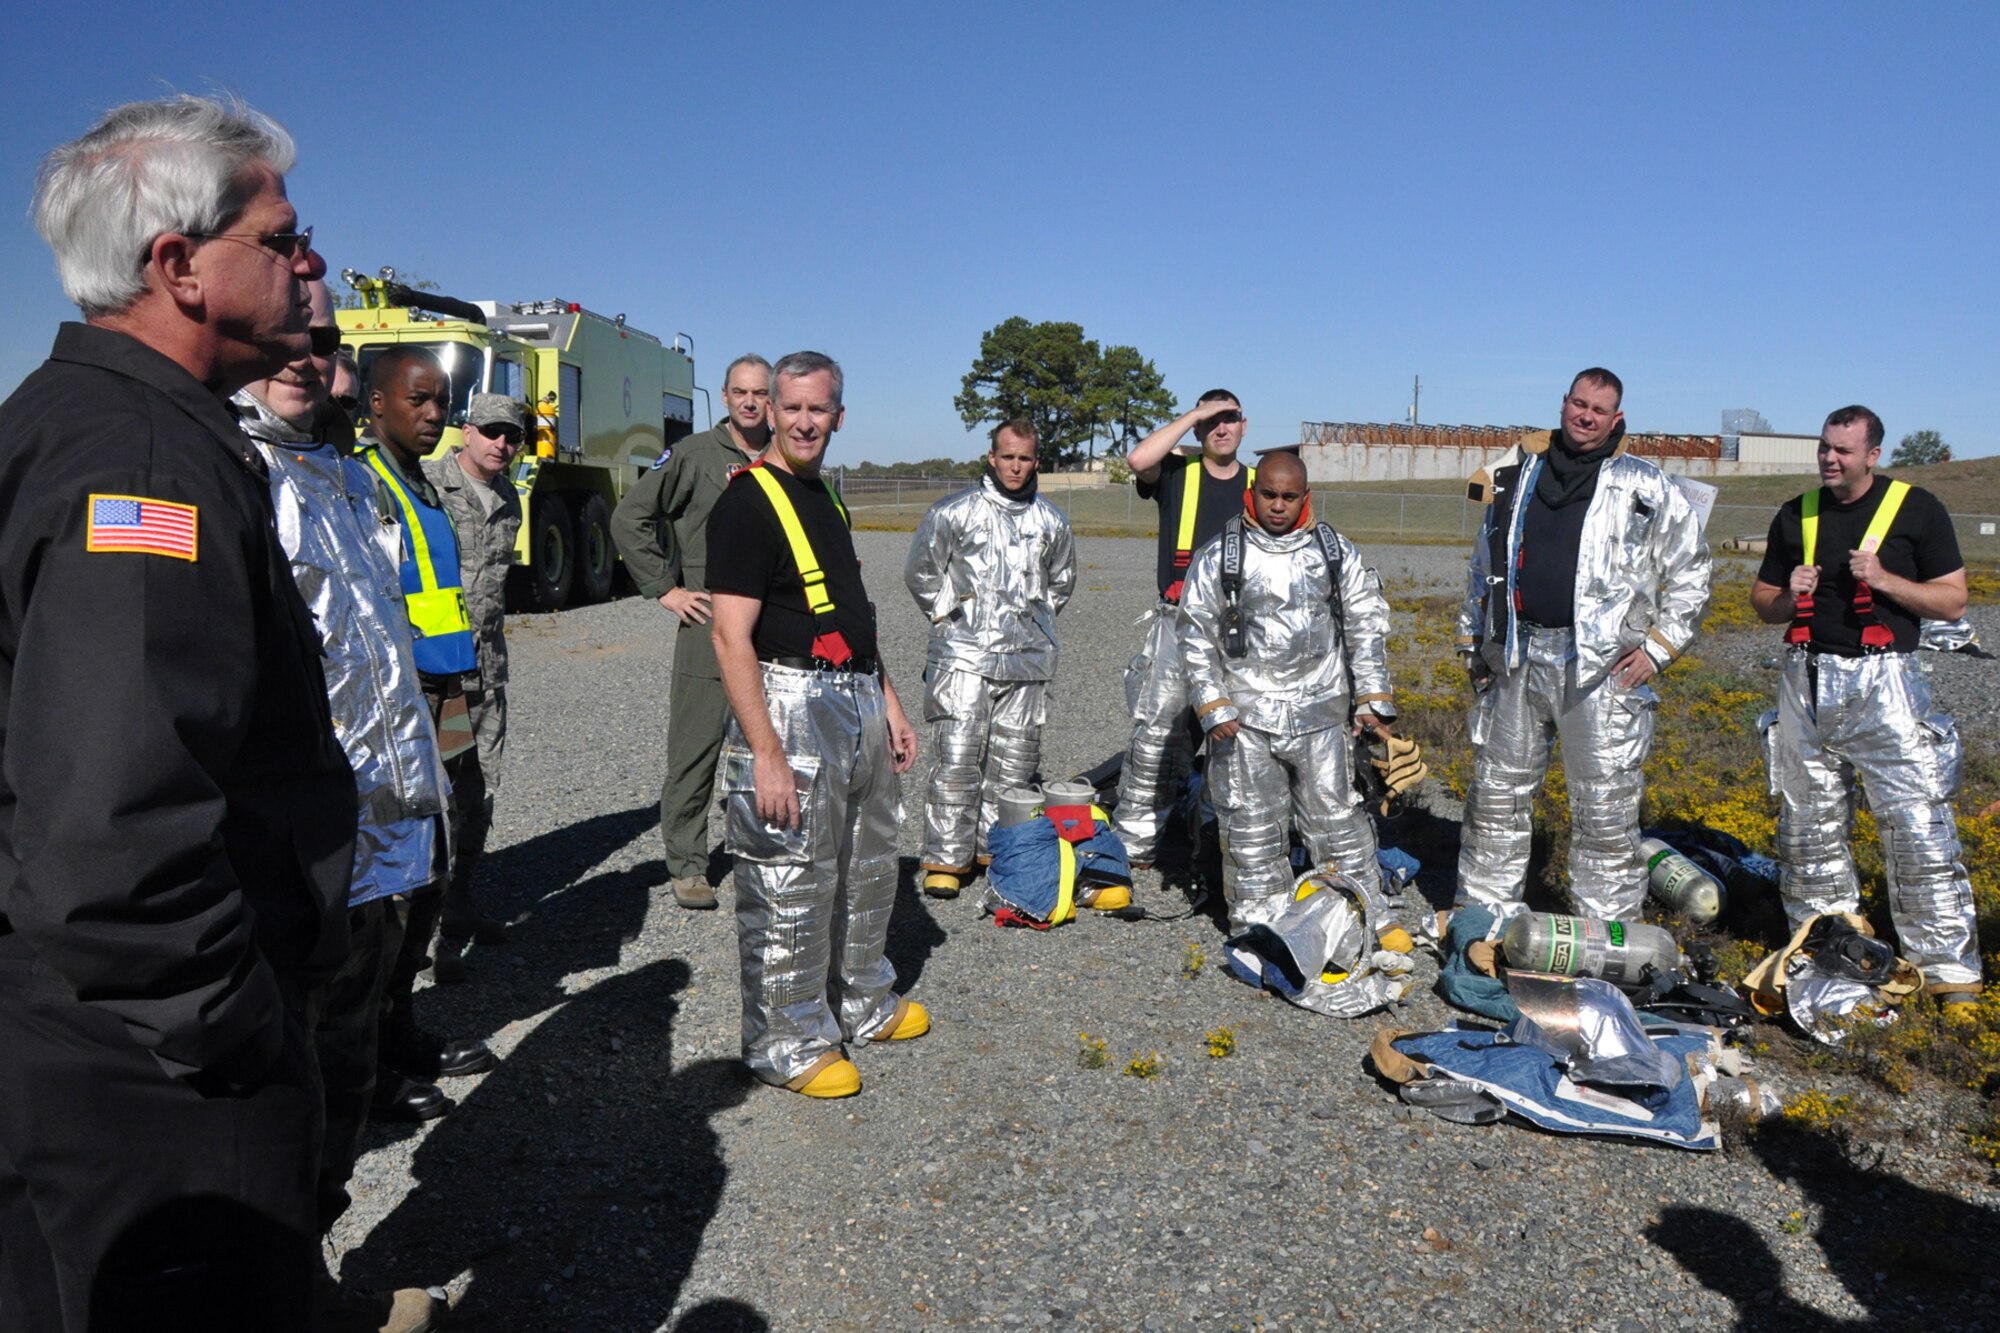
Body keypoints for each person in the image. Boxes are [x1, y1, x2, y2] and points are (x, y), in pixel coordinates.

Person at [0, 94, 352, 1333]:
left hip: (91, 1040)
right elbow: (114, 837)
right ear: (178, 267)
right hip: (149, 1072)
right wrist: (238, 1030)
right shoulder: (139, 467)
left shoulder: (86, 420)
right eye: (284, 238)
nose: (314, 264)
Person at [232, 279, 447, 1332]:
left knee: (344, 1077)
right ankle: (270, 1287)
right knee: (274, 1089)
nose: (304, 358)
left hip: (383, 838)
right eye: (286, 339)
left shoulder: (357, 485)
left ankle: (308, 1279)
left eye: (323, 344)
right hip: (291, 856)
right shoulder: (225, 471)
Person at [707, 351, 929, 1098]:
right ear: (768, 409)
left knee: (868, 867)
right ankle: (788, 1041)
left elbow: (849, 615)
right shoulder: (746, 503)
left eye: (819, 408)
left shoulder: (826, 496)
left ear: (839, 414)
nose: (806, 421)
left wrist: (889, 703)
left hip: (857, 696)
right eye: (791, 407)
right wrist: (765, 752)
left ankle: (861, 1002)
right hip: (792, 707)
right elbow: (729, 636)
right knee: (790, 877)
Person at [1455, 368, 1712, 921]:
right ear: (1564, 403)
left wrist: (1660, 647)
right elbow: (1484, 562)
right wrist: (1473, 641)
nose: (1585, 416)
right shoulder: (1520, 477)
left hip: (1601, 670)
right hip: (1518, 658)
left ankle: (1607, 935)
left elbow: (1692, 569)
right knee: (1497, 797)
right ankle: (1484, 919)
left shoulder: (1645, 485)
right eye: (1578, 404)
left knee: (1604, 807)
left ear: (1617, 418)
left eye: (1598, 410)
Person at [1750, 405, 1981, 1001]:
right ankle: (1830, 949)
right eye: (1825, 447)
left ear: (1873, 455)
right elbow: (1763, 599)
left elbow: (1953, 603)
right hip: (1806, 682)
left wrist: (1883, 581)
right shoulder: (1794, 513)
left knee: (1916, 825)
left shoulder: (1917, 509)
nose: (1830, 458)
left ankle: (1950, 974)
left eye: (1844, 450)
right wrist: (1785, 597)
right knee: (1808, 826)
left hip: (1886, 684)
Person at [356, 347, 498, 1112]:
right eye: (419, 399)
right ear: (376, 402)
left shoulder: (426, 484)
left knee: (437, 859)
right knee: (391, 881)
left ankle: (401, 1023)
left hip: (442, 693)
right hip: (394, 700)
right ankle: (364, 1055)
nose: (436, 413)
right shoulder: (360, 484)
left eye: (443, 400)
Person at [1178, 451, 1395, 930]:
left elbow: (1364, 621)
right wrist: (1213, 704)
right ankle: (1261, 926)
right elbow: (1195, 631)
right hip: (1245, 719)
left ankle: (1362, 918)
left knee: (1338, 821)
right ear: (1251, 494)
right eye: (1269, 495)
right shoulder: (1221, 555)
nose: (1278, 505)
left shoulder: (1333, 551)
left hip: (1322, 713)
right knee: (1252, 825)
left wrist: (1373, 699)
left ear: (1306, 497)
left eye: (1289, 497)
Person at [612, 354, 772, 910]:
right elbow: (629, 517)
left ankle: (770, 846)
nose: (751, 402)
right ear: (725, 397)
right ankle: (687, 864)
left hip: (774, 618)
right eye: (740, 392)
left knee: (775, 739)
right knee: (696, 744)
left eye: (760, 393)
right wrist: (665, 587)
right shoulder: (693, 455)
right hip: (711, 612)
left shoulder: (787, 455)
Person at [903, 418, 1081, 899]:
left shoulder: (1052, 520)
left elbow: (1061, 582)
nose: (1016, 466)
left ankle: (993, 849)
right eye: (1008, 456)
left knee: (1013, 764)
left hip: (1027, 661)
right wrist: (952, 620)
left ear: (1036, 461)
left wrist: (1031, 626)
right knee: (958, 758)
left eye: (1025, 458)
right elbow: (922, 571)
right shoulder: (954, 511)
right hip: (963, 657)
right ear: (991, 456)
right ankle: (946, 857)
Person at [1115, 390, 1257, 868]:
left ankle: (1219, 844)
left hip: (1240, 636)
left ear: (1244, 424)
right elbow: (1138, 458)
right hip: (1177, 627)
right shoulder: (1178, 475)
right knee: (1158, 735)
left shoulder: (1264, 486)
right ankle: (1134, 846)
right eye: (1211, 420)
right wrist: (1194, 414)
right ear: (1197, 428)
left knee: (1236, 739)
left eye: (1230, 418)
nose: (1221, 428)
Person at [424, 392, 526, 966]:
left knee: (481, 792)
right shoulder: (428, 486)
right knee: (440, 798)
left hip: (488, 672)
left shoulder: (509, 496)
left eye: (510, 435)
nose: (501, 444)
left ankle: (459, 904)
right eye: (490, 432)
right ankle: (429, 930)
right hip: (443, 675)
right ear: (466, 431)